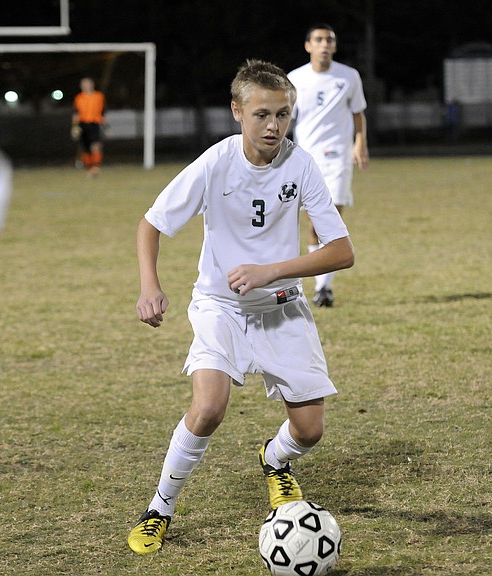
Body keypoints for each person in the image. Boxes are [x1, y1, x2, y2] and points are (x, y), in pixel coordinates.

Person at [127, 59, 354, 555]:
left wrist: (271, 270)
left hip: (282, 305)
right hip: (220, 305)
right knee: (208, 408)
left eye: (283, 114)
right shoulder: (215, 163)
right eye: (262, 115)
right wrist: (150, 286)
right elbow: (151, 224)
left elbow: (342, 251)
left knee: (310, 431)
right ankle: (158, 509)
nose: (274, 126)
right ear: (237, 112)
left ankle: (274, 460)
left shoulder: (301, 164)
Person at [288, 23, 369, 308]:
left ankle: (324, 288)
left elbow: (359, 113)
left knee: (331, 220)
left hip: (338, 158)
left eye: (329, 40)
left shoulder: (348, 77)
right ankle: (321, 286)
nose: (324, 45)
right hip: (306, 159)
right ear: (308, 45)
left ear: (334, 46)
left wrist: (360, 144)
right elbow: (287, 118)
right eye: (319, 40)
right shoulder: (294, 79)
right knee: (313, 224)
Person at [71, 77, 106, 176]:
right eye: (84, 84)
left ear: (92, 85)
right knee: (85, 148)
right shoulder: (79, 98)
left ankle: (96, 166)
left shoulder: (99, 96)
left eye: (87, 84)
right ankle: (89, 167)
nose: (86, 86)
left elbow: (103, 111)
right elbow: (75, 112)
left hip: (95, 123)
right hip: (82, 123)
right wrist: (74, 126)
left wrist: (105, 125)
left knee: (96, 146)